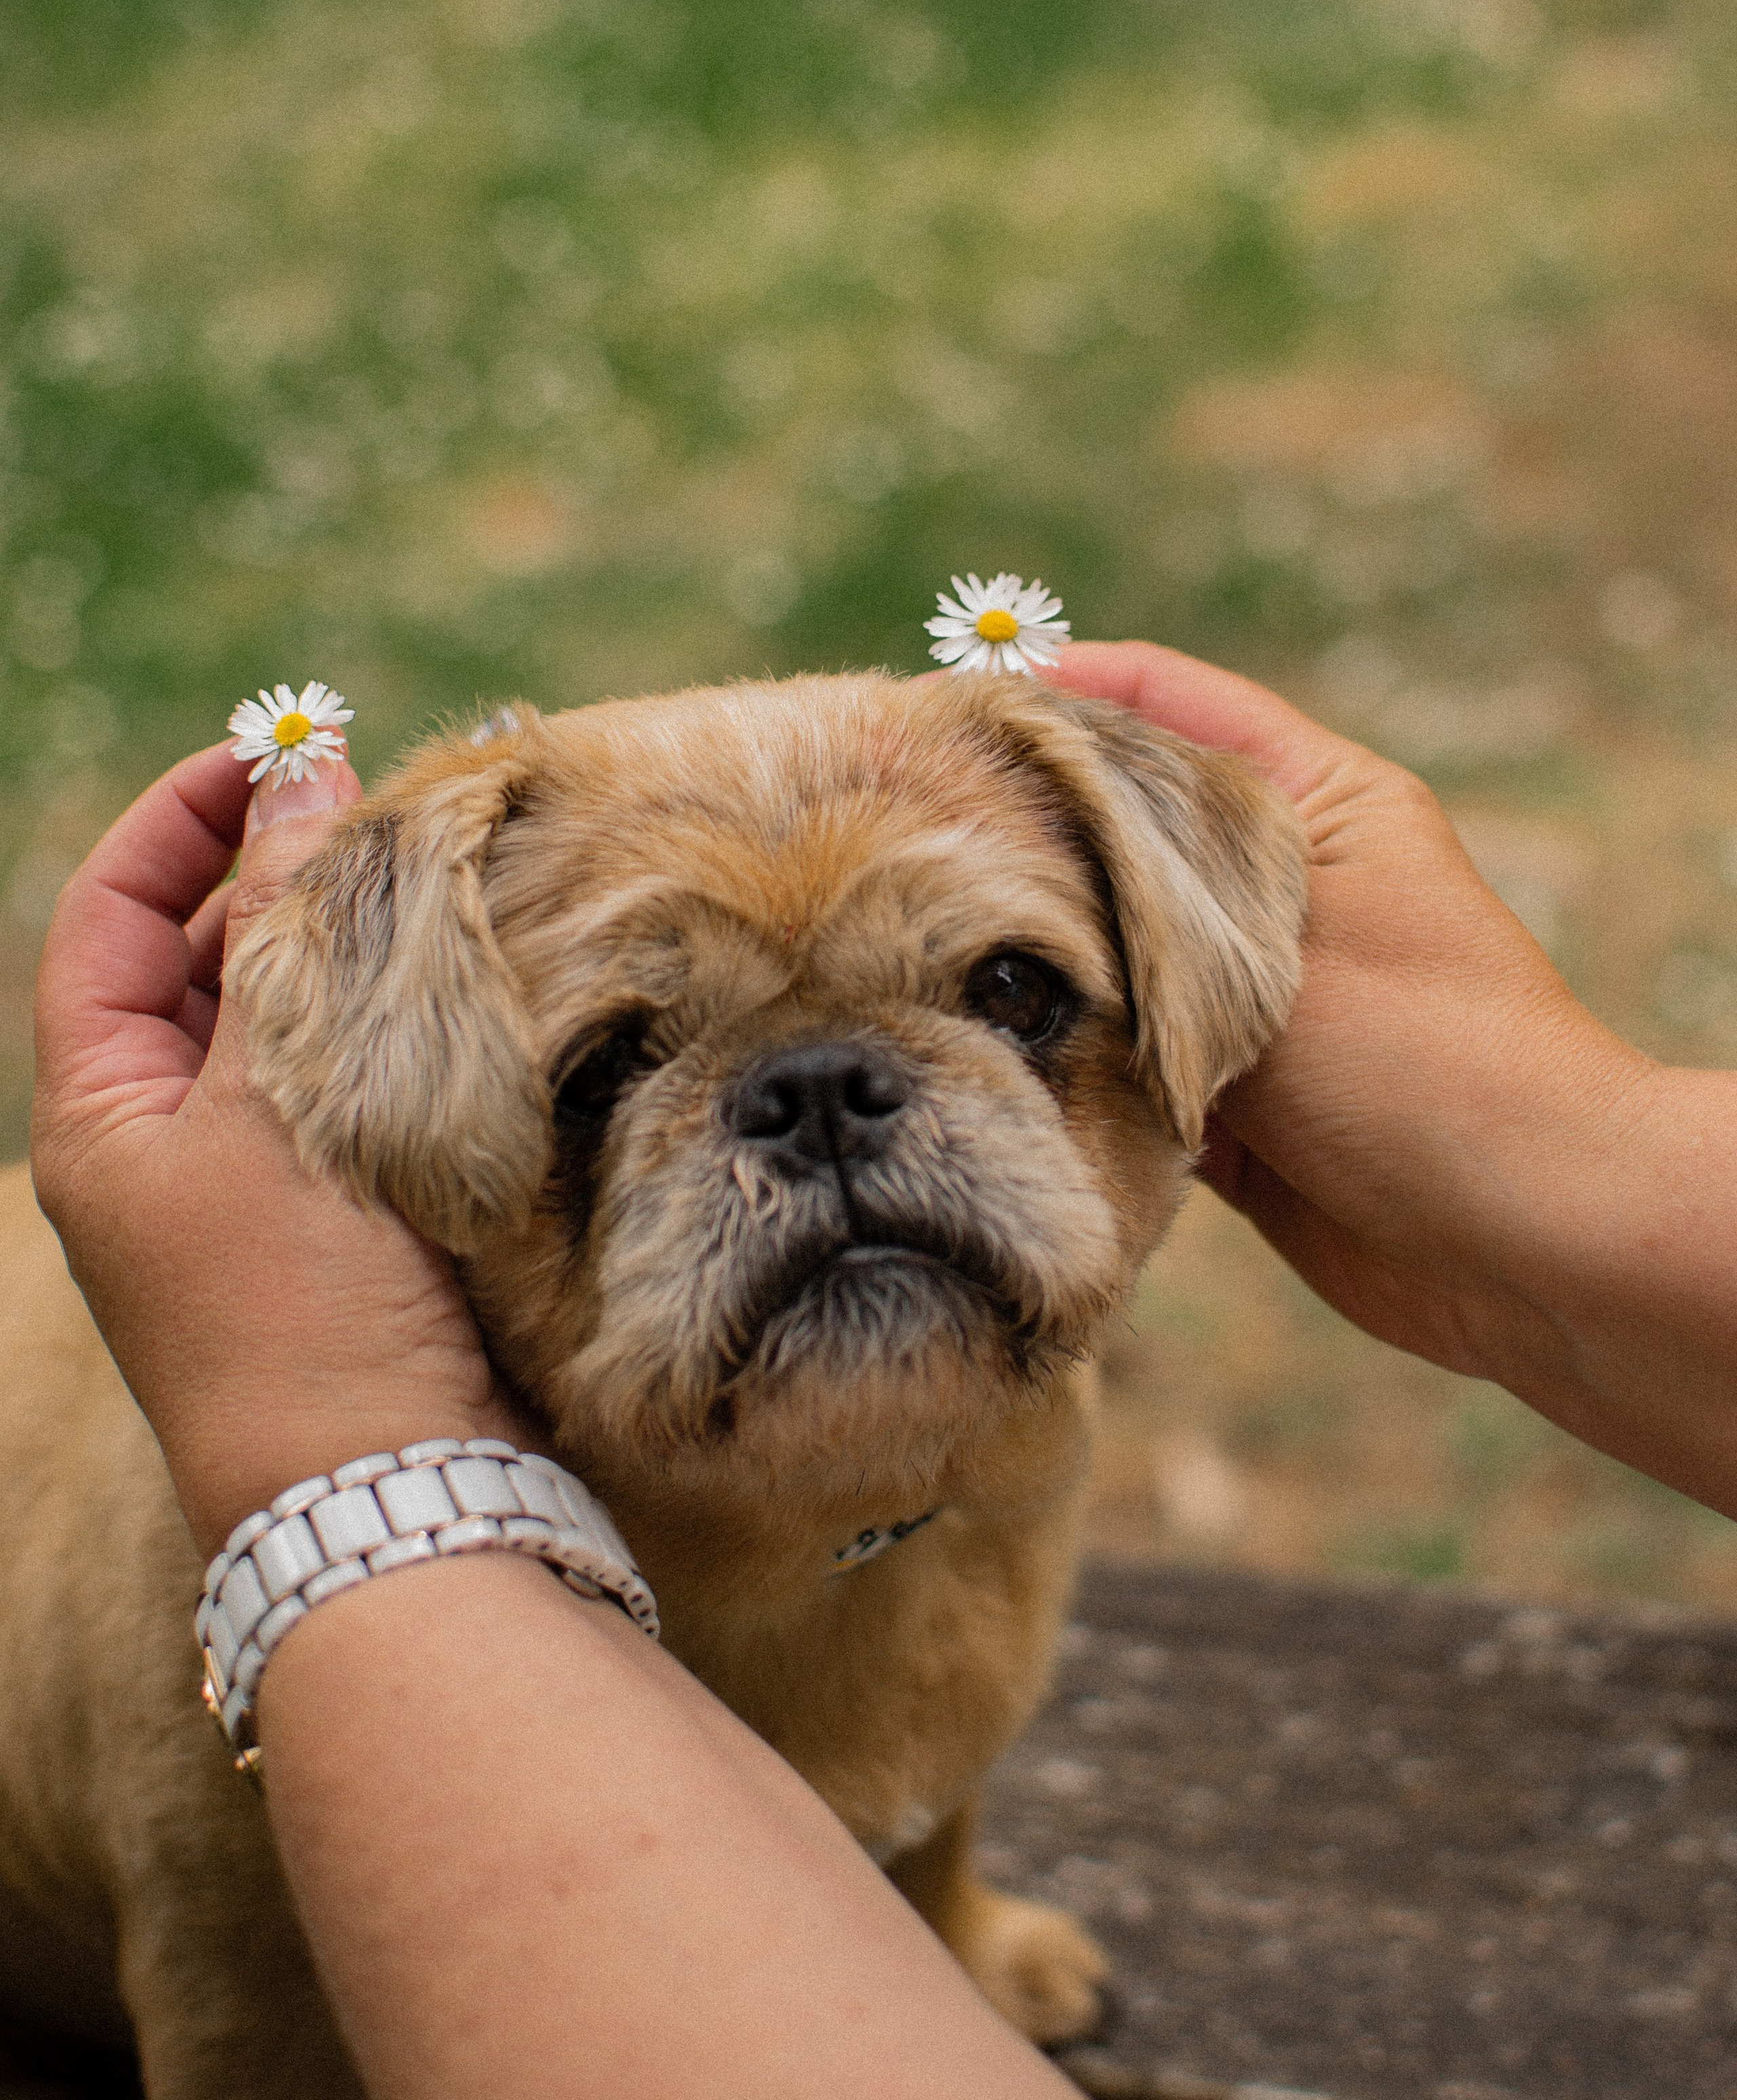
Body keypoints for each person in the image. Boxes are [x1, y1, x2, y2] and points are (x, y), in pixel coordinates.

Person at [29, 637, 1737, 2097]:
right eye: (606, 1068)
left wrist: (1560, 1171)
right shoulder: (230, 1678)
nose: (827, 1121)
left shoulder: (1006, 1447)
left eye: (1007, 995)